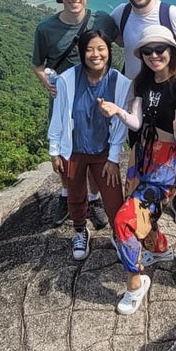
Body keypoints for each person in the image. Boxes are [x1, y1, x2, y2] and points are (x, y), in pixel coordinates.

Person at [97, 24, 176, 315]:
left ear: (172, 52)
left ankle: (135, 283)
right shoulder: (141, 82)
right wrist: (118, 112)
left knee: (126, 221)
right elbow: (137, 123)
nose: (154, 55)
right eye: (148, 51)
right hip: (141, 155)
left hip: (165, 162)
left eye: (160, 50)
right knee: (143, 211)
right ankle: (158, 248)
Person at [109, 0, 176, 232]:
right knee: (139, 144)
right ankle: (141, 196)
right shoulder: (121, 14)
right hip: (138, 93)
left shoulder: (171, 14)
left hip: (173, 93)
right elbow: (118, 41)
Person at [32, 0, 119, 227]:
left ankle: (93, 198)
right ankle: (66, 194)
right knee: (63, 148)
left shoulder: (102, 20)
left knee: (94, 147)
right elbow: (38, 64)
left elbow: (126, 41)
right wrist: (47, 84)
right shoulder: (46, 29)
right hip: (64, 100)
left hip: (96, 98)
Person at [48, 29, 131, 261]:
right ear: (82, 53)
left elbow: (120, 125)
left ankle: (118, 234)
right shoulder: (67, 79)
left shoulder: (120, 83)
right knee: (75, 195)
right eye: (89, 49)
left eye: (101, 49)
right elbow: (58, 116)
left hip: (103, 151)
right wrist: (54, 151)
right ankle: (79, 230)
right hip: (73, 150)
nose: (95, 54)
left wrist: (114, 158)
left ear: (109, 51)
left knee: (114, 199)